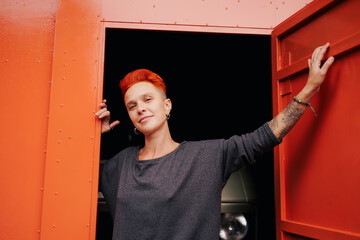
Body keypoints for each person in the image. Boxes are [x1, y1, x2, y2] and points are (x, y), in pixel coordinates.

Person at [96, 43, 334, 240]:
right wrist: (95, 136)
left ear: (167, 105)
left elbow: (262, 138)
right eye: (132, 106)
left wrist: (309, 89)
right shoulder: (120, 164)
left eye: (147, 99)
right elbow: (74, 182)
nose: (141, 109)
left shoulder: (205, 157)